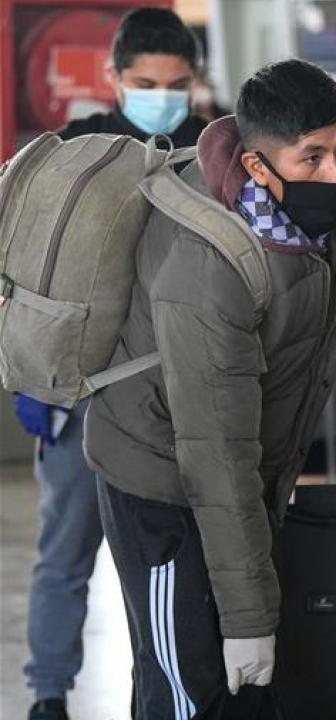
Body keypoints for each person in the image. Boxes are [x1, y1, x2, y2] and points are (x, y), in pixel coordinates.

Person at [83, 59, 336, 719]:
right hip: (159, 482)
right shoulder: (209, 266)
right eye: (313, 157)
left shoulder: (310, 211)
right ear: (258, 166)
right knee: (190, 691)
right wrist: (247, 619)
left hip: (242, 465)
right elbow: (213, 452)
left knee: (234, 692)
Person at [13, 8, 207, 720]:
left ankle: (156, 689)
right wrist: (34, 375)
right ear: (115, 78)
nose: (163, 94)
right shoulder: (73, 151)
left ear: (195, 80)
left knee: (164, 562)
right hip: (83, 392)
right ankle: (49, 693)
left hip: (173, 395)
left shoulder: (215, 153)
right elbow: (28, 269)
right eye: (147, 82)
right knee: (65, 549)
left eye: (177, 82)